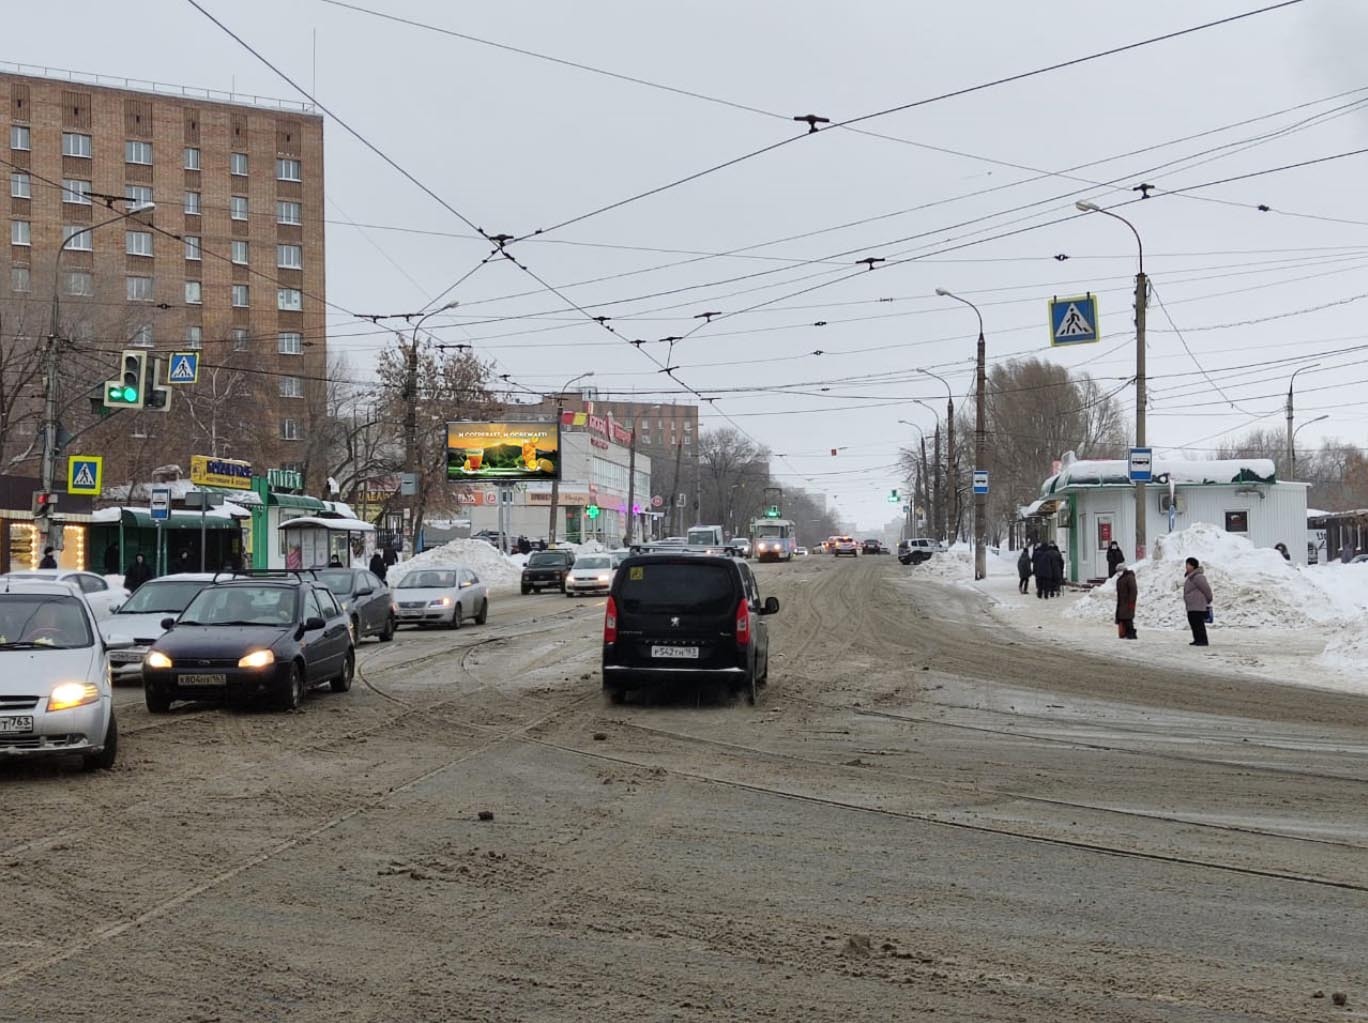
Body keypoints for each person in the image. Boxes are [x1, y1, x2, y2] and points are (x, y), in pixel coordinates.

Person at [1183, 556, 1213, 647]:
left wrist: (1209, 599)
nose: (1186, 567)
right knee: (1193, 622)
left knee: (1199, 623)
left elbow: (1206, 589)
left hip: (1198, 605)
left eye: (1188, 565)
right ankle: (1197, 639)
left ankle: (1203, 640)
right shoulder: (1190, 577)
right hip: (1191, 606)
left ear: (1193, 566)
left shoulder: (1198, 577)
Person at [1114, 562, 1137, 639]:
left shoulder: (1129, 577)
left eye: (1119, 571)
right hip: (1122, 602)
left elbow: (1133, 591)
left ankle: (1131, 634)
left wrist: (1131, 602)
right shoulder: (1120, 579)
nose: (1118, 573)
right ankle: (1125, 634)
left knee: (1128, 618)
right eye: (1117, 571)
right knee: (1122, 618)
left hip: (1128, 602)